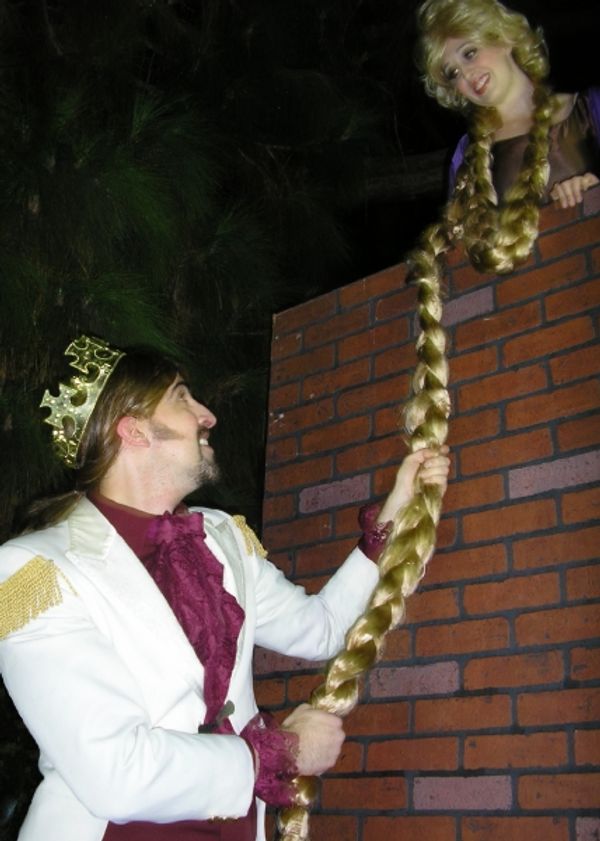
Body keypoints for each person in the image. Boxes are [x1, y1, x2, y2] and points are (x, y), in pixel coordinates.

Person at [0, 335, 450, 841]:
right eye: (182, 397)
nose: (206, 414)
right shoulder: (31, 570)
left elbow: (321, 630)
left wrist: (392, 515)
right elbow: (114, 772)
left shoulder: (224, 537)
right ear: (134, 430)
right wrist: (278, 751)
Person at [416, 0, 600, 210]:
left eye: (469, 53)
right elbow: (463, 237)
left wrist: (593, 188)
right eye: (453, 73)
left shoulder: (588, 107)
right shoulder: (469, 156)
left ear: (502, 38)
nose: (466, 75)